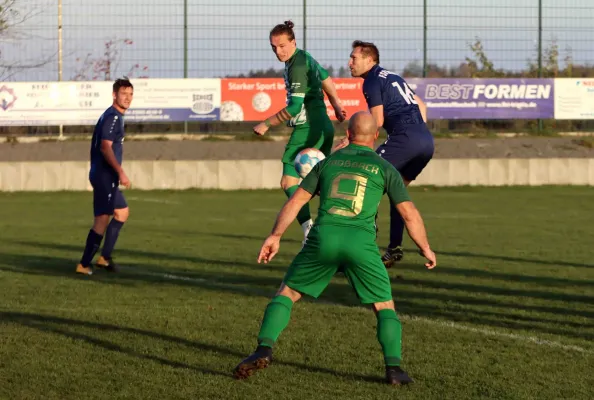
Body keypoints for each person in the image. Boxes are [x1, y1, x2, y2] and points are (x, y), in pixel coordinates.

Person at [234, 111, 437, 385]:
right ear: (376, 136)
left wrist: (275, 235)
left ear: (348, 135)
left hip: (324, 238)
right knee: (384, 305)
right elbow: (409, 213)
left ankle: (264, 349)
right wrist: (425, 247)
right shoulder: (384, 168)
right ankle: (394, 370)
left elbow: (295, 202)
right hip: (361, 245)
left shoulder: (327, 164)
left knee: (288, 292)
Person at [338, 40, 434, 268]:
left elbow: (377, 121)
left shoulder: (370, 80)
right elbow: (421, 104)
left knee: (360, 184)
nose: (349, 62)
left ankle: (358, 249)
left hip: (404, 141)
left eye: (354, 58)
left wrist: (350, 140)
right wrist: (418, 132)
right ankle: (394, 248)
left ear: (369, 60)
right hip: (426, 142)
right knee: (396, 191)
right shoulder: (391, 76)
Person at [253, 20, 347, 244]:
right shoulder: (305, 57)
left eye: (283, 46)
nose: (278, 51)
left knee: (289, 182)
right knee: (320, 184)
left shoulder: (296, 66)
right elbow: (326, 78)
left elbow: (295, 107)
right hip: (323, 125)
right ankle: (347, 224)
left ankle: (309, 232)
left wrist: (266, 123)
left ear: (293, 42)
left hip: (307, 128)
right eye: (274, 47)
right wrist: (335, 104)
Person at [75, 78, 133, 275]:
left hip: (105, 176)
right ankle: (83, 264)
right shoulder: (113, 117)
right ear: (114, 95)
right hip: (104, 176)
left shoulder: (114, 116)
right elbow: (105, 147)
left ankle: (104, 258)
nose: (128, 98)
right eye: (124, 94)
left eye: (130, 94)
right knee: (101, 219)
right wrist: (120, 171)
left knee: (122, 212)